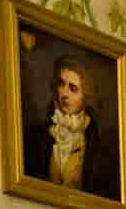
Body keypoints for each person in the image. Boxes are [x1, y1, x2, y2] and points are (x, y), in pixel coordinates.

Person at [23, 52, 120, 200]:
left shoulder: (98, 148)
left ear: (85, 96)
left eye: (73, 88)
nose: (65, 94)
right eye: (61, 84)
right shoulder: (36, 137)